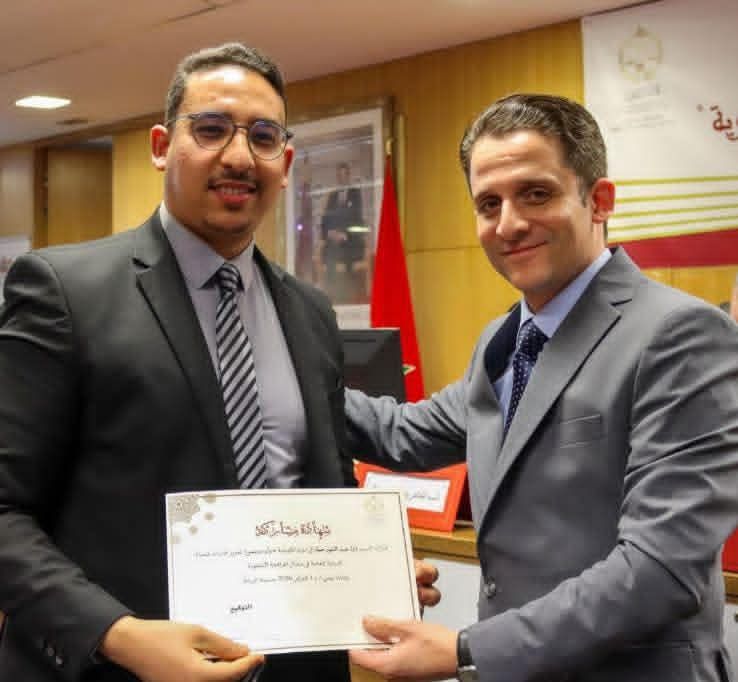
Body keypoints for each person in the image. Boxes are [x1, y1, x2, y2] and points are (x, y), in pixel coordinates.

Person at [0, 42, 439, 682]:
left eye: (263, 137)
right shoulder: (65, 292)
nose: (238, 156)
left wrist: (370, 572)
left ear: (285, 163)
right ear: (161, 146)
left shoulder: (310, 313)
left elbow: (323, 493)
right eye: (210, 129)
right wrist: (118, 636)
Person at [345, 93, 738, 682]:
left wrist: (466, 651)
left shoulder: (681, 335)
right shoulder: (503, 341)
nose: (508, 224)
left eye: (536, 194)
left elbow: (661, 568)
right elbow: (401, 433)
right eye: (489, 203)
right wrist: (275, 366)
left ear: (599, 201)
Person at [320, 162, 367, 303]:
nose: (341, 178)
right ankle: (332, 296)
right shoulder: (332, 196)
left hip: (350, 240)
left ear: (348, 176)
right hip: (333, 240)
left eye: (344, 175)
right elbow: (326, 218)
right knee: (330, 253)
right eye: (339, 175)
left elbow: (358, 218)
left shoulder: (355, 193)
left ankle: (347, 296)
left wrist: (345, 234)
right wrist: (329, 233)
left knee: (346, 255)